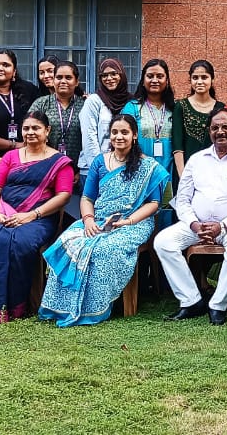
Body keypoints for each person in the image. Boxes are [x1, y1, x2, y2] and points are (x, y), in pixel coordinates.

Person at [39, 114, 172, 327]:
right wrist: (88, 220)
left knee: (104, 249)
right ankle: (62, 305)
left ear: (134, 135)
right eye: (114, 132)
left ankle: (95, 306)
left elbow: (154, 204)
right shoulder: (100, 161)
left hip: (135, 223)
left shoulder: (148, 167)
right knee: (69, 242)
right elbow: (87, 198)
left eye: (124, 132)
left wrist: (128, 222)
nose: (119, 137)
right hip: (99, 219)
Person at [155, 108, 227, 326]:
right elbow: (182, 200)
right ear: (209, 131)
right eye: (215, 127)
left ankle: (218, 305)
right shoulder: (196, 160)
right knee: (163, 242)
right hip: (197, 226)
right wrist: (194, 224)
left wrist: (222, 226)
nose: (220, 131)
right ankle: (191, 300)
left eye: (225, 127)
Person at [0, 111, 74, 322]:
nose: (30, 132)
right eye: (26, 128)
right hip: (4, 213)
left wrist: (31, 215)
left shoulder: (60, 161)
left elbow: (64, 196)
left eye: (36, 128)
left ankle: (16, 305)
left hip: (40, 218)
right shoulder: (10, 156)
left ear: (47, 130)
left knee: (19, 242)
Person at [171, 60, 226, 179]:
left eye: (204, 77)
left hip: (214, 173)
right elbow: (177, 146)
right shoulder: (181, 106)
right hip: (186, 172)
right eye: (195, 78)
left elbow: (223, 144)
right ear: (190, 80)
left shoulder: (221, 108)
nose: (199, 82)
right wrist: (184, 177)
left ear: (212, 79)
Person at [120, 59, 173, 178]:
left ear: (167, 81)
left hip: (169, 172)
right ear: (143, 81)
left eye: (160, 76)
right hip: (139, 171)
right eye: (150, 76)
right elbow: (125, 139)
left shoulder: (174, 109)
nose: (155, 80)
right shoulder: (132, 108)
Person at [82, 58, 132, 181]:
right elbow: (89, 136)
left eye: (114, 74)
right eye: (104, 75)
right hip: (94, 170)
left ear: (121, 75)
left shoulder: (131, 102)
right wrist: (100, 168)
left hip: (123, 168)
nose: (109, 78)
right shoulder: (94, 101)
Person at [29, 60, 84, 165]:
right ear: (53, 80)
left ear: (76, 82)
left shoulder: (85, 105)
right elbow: (29, 132)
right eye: (59, 77)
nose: (63, 81)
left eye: (68, 78)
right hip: (45, 164)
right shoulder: (41, 103)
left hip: (78, 167)